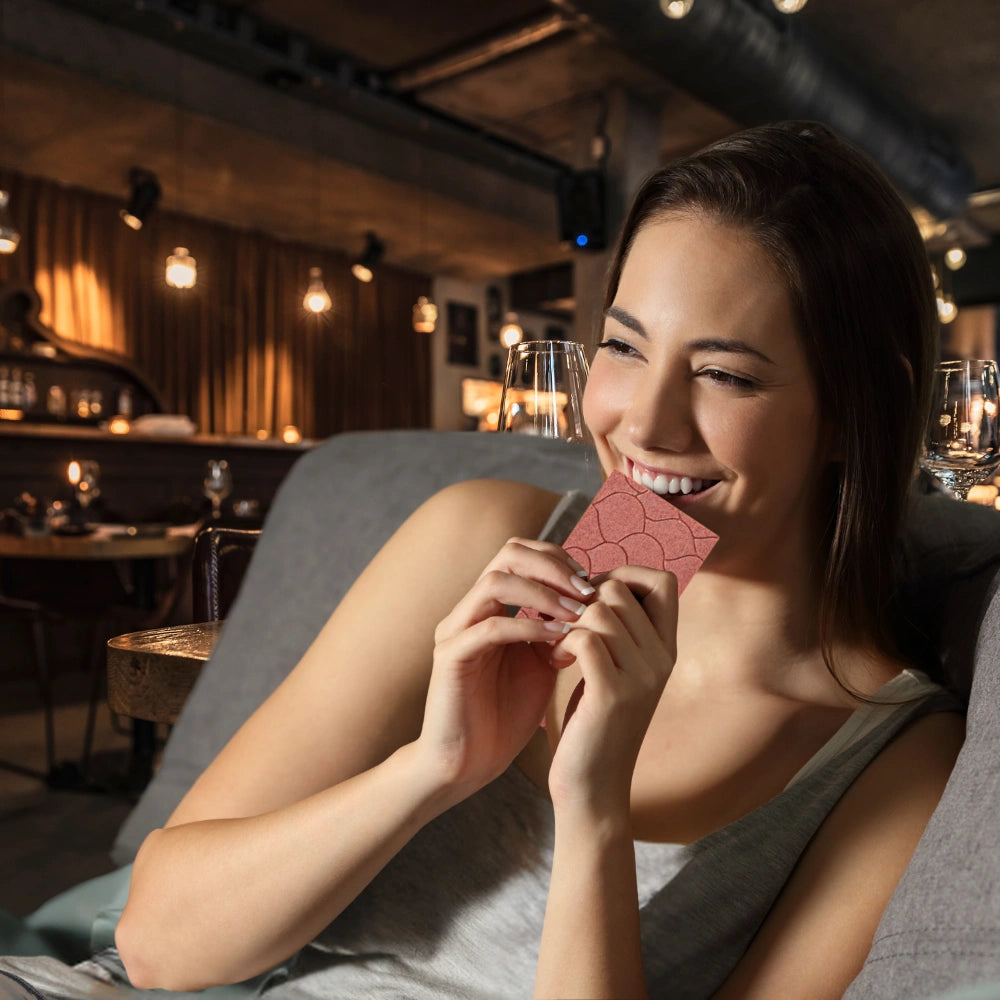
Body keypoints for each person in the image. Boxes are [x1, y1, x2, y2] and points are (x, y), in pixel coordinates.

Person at [2, 121, 964, 999]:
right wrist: (433, 769)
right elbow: (161, 946)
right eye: (624, 350)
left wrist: (594, 812)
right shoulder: (485, 537)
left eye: (723, 373)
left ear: (853, 409)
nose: (644, 422)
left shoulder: (888, 760)